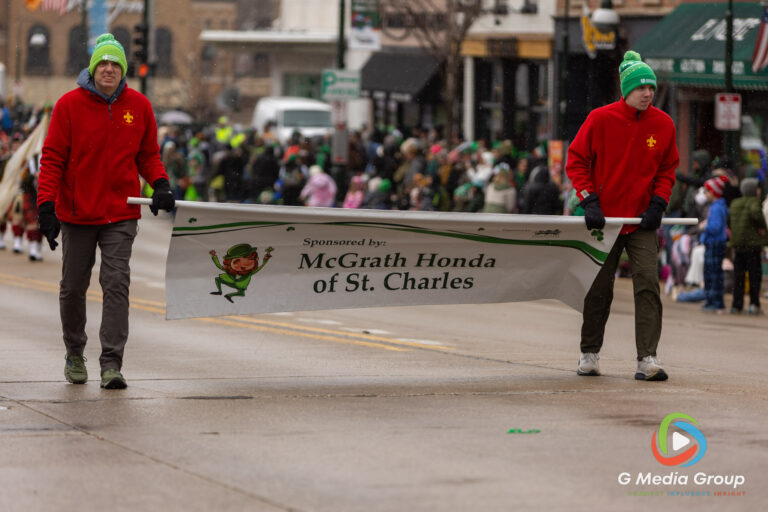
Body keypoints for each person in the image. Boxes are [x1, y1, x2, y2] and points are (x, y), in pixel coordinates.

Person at [36, 33, 175, 389]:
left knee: (116, 284)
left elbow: (148, 155)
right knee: (72, 287)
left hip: (121, 212)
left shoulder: (139, 106)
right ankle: (74, 352)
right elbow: (52, 159)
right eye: (104, 64)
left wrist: (159, 184)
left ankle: (112, 363)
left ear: (123, 69)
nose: (109, 69)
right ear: (93, 68)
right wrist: (46, 205)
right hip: (78, 213)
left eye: (115, 64)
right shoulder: (68, 106)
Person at [566, 50, 679, 381]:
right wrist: (589, 200)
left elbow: (667, 169)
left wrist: (659, 203)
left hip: (640, 221)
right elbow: (576, 160)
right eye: (641, 88)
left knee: (647, 284)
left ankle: (648, 358)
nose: (647, 93)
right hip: (606, 222)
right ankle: (589, 353)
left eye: (651, 88)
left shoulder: (664, 124)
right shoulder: (600, 119)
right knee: (599, 289)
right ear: (627, 89)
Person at [727, 178, 767, 315]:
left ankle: (736, 305)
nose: (759, 191)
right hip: (752, 245)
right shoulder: (753, 202)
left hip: (738, 245)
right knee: (754, 275)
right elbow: (756, 213)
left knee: (739, 276)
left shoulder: (735, 203)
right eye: (757, 188)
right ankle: (753, 304)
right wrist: (762, 227)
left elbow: (729, 221)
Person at [699, 176, 729, 313]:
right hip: (714, 242)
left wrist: (705, 226)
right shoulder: (717, 206)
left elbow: (716, 227)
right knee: (712, 273)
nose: (705, 194)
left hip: (714, 243)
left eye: (707, 191)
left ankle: (714, 301)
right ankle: (713, 300)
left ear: (714, 192)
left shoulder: (717, 208)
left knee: (713, 274)